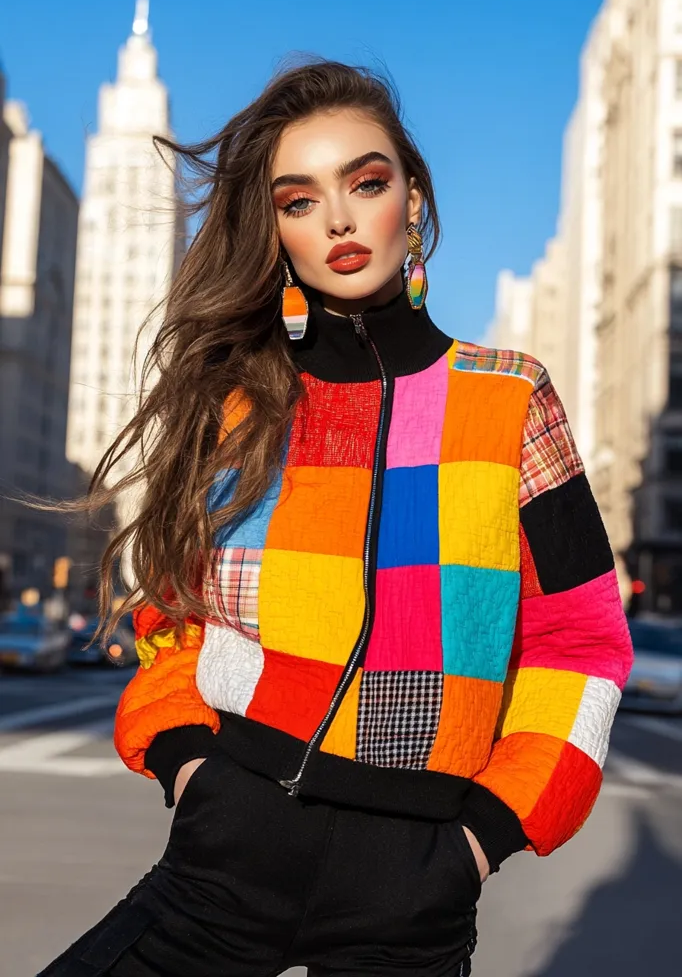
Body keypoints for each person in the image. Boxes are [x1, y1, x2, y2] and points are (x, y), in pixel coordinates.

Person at [39, 59, 634, 977]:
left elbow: (580, 639)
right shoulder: (240, 403)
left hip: (414, 889)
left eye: (365, 182)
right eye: (299, 200)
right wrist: (191, 765)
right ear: (276, 230)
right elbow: (171, 616)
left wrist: (484, 836)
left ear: (413, 195)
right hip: (227, 857)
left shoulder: (510, 399)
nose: (341, 221)